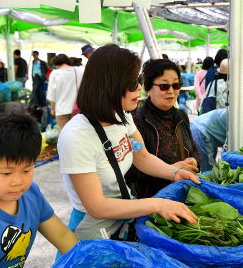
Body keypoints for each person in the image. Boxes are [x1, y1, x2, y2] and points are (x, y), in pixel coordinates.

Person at [57, 44, 200, 245]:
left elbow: (141, 156)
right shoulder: (77, 137)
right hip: (94, 230)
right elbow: (97, 207)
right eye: (133, 82)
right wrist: (156, 204)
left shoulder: (121, 114)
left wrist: (173, 172)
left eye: (139, 80)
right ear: (110, 84)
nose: (140, 87)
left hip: (124, 216)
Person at [0, 114, 78, 267]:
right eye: (6, 173)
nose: (18, 182)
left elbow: (62, 236)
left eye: (27, 170)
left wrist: (89, 259)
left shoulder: (31, 195)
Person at [127, 59, 200, 198]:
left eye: (176, 85)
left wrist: (193, 162)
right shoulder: (136, 120)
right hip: (150, 200)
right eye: (164, 86)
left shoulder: (181, 115)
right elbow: (129, 170)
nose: (171, 91)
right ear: (148, 88)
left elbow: (194, 149)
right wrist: (172, 171)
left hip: (182, 195)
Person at [190, 106, 243, 172]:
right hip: (201, 132)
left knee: (209, 165)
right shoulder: (241, 119)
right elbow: (238, 141)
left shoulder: (233, 112)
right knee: (208, 169)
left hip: (196, 128)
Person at [47, 54, 85, 132]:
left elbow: (52, 94)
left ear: (56, 63)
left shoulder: (54, 73)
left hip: (61, 109)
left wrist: (52, 109)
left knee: (63, 132)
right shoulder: (77, 70)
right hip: (76, 108)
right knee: (78, 132)